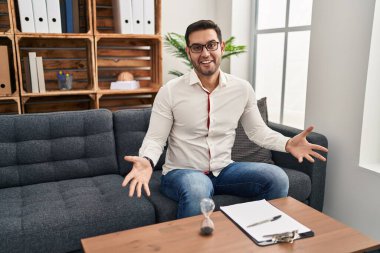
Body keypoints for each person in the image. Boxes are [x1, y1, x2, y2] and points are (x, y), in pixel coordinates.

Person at [122, 20, 328, 219]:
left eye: (211, 45)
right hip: (182, 172)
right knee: (197, 189)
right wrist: (147, 161)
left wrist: (288, 143)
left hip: (225, 169)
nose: (205, 53)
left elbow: (257, 131)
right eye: (197, 47)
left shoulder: (242, 89)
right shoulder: (170, 92)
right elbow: (156, 139)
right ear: (188, 52)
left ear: (222, 46)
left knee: (277, 177)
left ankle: (258, 234)